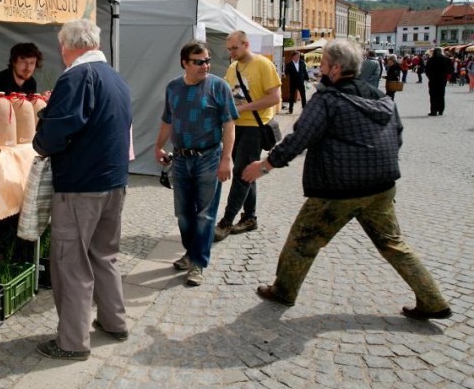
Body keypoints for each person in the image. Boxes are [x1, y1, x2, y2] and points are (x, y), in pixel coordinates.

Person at [242, 39, 451, 320]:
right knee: (393, 243)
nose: (320, 69)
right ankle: (433, 299)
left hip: (337, 190)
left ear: (336, 69)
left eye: (324, 64)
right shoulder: (379, 97)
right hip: (381, 187)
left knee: (303, 240)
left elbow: (300, 137)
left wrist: (265, 165)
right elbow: (397, 134)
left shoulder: (328, 100)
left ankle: (283, 290)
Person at [33, 19, 132, 361]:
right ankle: (114, 321)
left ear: (69, 46)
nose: (60, 52)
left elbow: (56, 132)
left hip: (81, 186)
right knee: (104, 256)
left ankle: (72, 342)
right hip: (113, 182)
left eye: (61, 46)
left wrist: (40, 141)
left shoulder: (76, 76)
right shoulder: (115, 78)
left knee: (70, 262)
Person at [154, 41, 237, 286]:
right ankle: (190, 253)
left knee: (205, 215)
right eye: (199, 61)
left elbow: (229, 124)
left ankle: (198, 262)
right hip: (180, 159)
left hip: (209, 158)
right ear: (184, 63)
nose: (205, 66)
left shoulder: (218, 86)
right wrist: (159, 145)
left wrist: (227, 158)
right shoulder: (173, 88)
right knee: (183, 214)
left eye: (207, 61)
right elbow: (168, 120)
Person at [214, 30, 281, 242]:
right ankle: (250, 217)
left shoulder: (263, 64)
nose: (231, 52)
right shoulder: (232, 68)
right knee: (248, 172)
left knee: (242, 172)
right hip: (236, 126)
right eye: (229, 49)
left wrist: (243, 109)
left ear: (246, 44)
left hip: (254, 126)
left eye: (235, 48)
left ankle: (226, 221)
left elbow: (274, 98)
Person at [425, 47, 453, 116]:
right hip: (442, 80)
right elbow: (451, 70)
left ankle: (433, 111)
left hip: (433, 80)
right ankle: (441, 110)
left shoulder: (431, 60)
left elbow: (427, 70)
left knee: (433, 95)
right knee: (441, 95)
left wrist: (430, 77)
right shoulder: (446, 59)